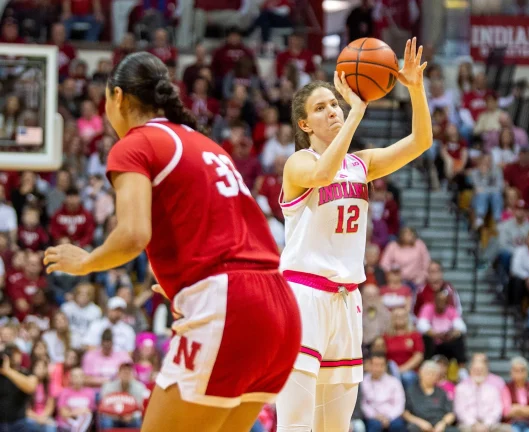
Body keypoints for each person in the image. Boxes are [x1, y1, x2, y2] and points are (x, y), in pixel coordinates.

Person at [42, 52, 302, 432]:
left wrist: (87, 262)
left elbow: (133, 235)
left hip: (231, 303)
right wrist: (183, 282)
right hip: (278, 308)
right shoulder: (205, 143)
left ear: (117, 97)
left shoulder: (134, 144)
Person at [276, 37, 431, 432]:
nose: (332, 111)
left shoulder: (362, 164)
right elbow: (324, 174)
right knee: (295, 423)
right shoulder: (298, 163)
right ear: (304, 124)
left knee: (336, 427)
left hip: (347, 300)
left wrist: (415, 89)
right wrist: (357, 111)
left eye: (335, 103)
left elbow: (421, 142)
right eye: (321, 107)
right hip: (303, 296)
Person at [0, 345, 38, 431]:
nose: (13, 357)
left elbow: (30, 387)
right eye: (10, 353)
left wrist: (8, 371)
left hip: (19, 422)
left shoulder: (25, 373)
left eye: (16, 353)